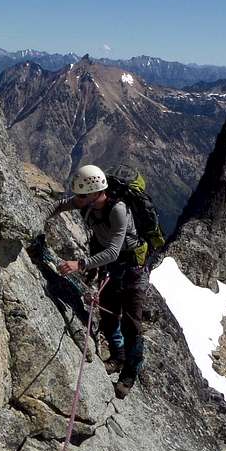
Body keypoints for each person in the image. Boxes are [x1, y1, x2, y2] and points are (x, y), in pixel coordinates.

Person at [46, 164, 148, 398]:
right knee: (110, 312)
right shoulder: (87, 203)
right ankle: (117, 356)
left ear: (94, 193)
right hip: (113, 267)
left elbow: (114, 251)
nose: (77, 199)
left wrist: (79, 264)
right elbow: (61, 205)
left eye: (82, 195)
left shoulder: (118, 210)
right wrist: (36, 219)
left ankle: (128, 375)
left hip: (133, 268)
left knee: (132, 322)